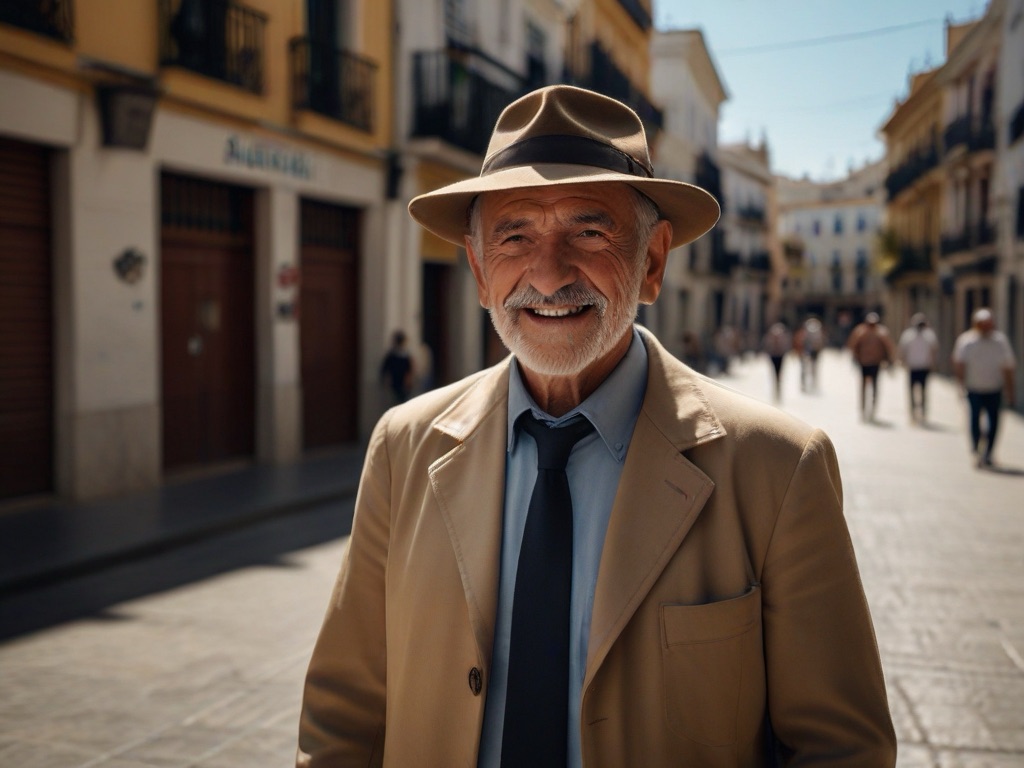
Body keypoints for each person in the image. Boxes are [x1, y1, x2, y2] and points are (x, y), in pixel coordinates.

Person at [296, 85, 896, 767]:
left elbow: (843, 748)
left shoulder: (777, 469)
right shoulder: (404, 448)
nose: (549, 276)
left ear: (653, 261)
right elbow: (342, 717)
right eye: (514, 236)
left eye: (589, 231)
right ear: (480, 270)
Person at [952, 308, 1017, 468]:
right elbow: (960, 364)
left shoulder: (1000, 342)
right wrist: (960, 385)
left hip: (994, 388)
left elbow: (1008, 367)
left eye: (989, 324)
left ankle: (988, 452)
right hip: (974, 388)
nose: (986, 327)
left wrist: (1010, 391)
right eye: (983, 324)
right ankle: (976, 448)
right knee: (974, 420)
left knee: (994, 422)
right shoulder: (967, 341)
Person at [847, 312, 896, 421]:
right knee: (863, 386)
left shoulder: (881, 333)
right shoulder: (860, 331)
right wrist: (856, 357)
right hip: (864, 363)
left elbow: (888, 347)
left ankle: (873, 409)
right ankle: (863, 409)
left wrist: (889, 361)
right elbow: (853, 345)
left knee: (874, 387)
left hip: (875, 363)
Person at [897, 312, 939, 423]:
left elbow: (933, 351)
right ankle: (913, 413)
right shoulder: (908, 335)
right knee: (912, 391)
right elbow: (903, 350)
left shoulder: (929, 335)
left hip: (924, 367)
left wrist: (932, 364)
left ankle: (923, 412)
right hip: (913, 367)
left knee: (924, 391)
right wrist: (902, 361)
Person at [379, 330, 413, 404]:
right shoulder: (392, 355)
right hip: (395, 381)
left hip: (402, 382)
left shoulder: (405, 355)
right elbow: (385, 368)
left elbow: (409, 370)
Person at [793, 317, 826, 392]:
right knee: (810, 368)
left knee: (806, 368)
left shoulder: (807, 332)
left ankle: (808, 383)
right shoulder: (812, 332)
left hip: (809, 351)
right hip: (808, 351)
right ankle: (810, 383)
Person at [762, 321, 792, 401]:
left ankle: (778, 386)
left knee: (779, 372)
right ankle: (776, 387)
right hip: (773, 356)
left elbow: (786, 346)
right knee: (774, 371)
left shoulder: (783, 338)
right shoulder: (770, 338)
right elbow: (767, 346)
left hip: (780, 356)